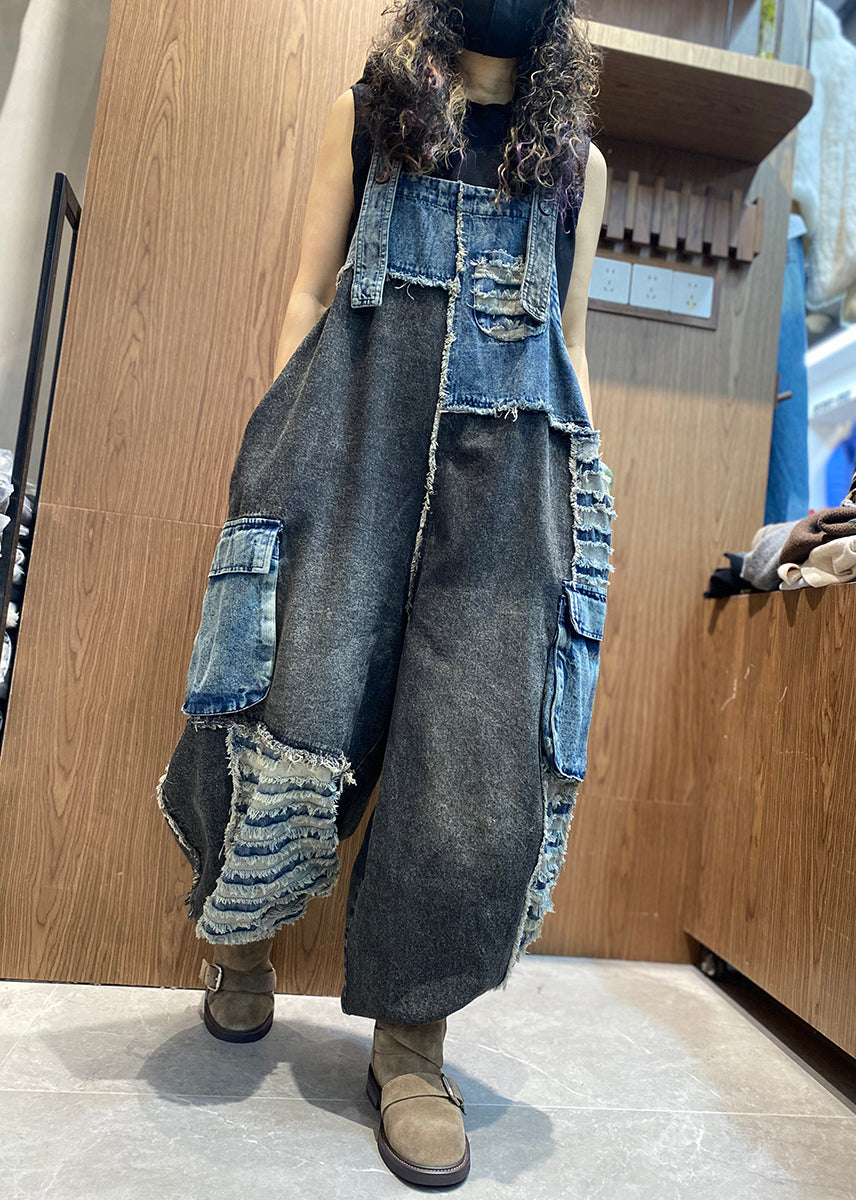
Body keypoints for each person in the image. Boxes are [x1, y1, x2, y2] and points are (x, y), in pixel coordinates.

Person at [155, 0, 614, 1185]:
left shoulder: (577, 167)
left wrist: (577, 500)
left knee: (468, 756)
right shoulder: (369, 115)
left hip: (505, 490)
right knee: (290, 695)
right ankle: (240, 944)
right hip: (346, 450)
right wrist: (280, 459)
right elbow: (309, 295)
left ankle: (412, 1044)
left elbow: (569, 343)